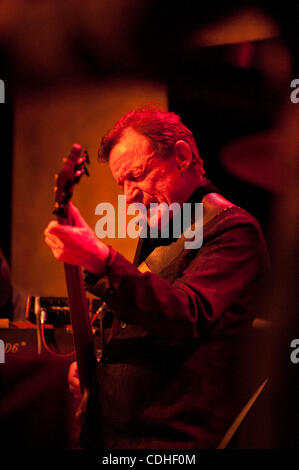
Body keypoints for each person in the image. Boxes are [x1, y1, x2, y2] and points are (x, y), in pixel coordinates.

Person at [44, 106, 270, 449]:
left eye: (137, 174)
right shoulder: (162, 233)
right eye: (122, 184)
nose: (129, 196)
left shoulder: (234, 231)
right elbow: (145, 319)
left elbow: (185, 313)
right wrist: (98, 365)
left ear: (181, 156)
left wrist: (102, 260)